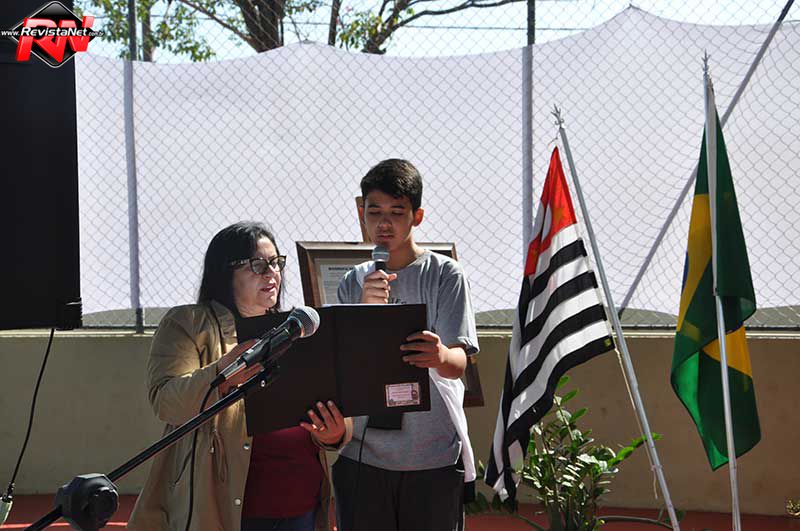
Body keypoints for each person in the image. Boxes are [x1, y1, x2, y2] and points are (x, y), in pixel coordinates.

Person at [128, 221, 352, 531]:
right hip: (228, 510)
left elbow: (336, 406)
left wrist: (334, 434)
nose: (271, 273)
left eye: (276, 263)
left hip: (302, 505)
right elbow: (166, 402)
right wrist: (223, 372)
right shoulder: (188, 324)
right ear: (225, 272)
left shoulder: (296, 329)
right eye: (257, 265)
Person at [333, 159, 479, 531]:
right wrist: (364, 311)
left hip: (431, 459)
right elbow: (342, 367)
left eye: (397, 212)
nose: (384, 223)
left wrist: (439, 355)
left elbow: (459, 363)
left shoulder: (445, 275)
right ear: (361, 213)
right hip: (363, 458)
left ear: (417, 216)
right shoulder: (352, 282)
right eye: (374, 212)